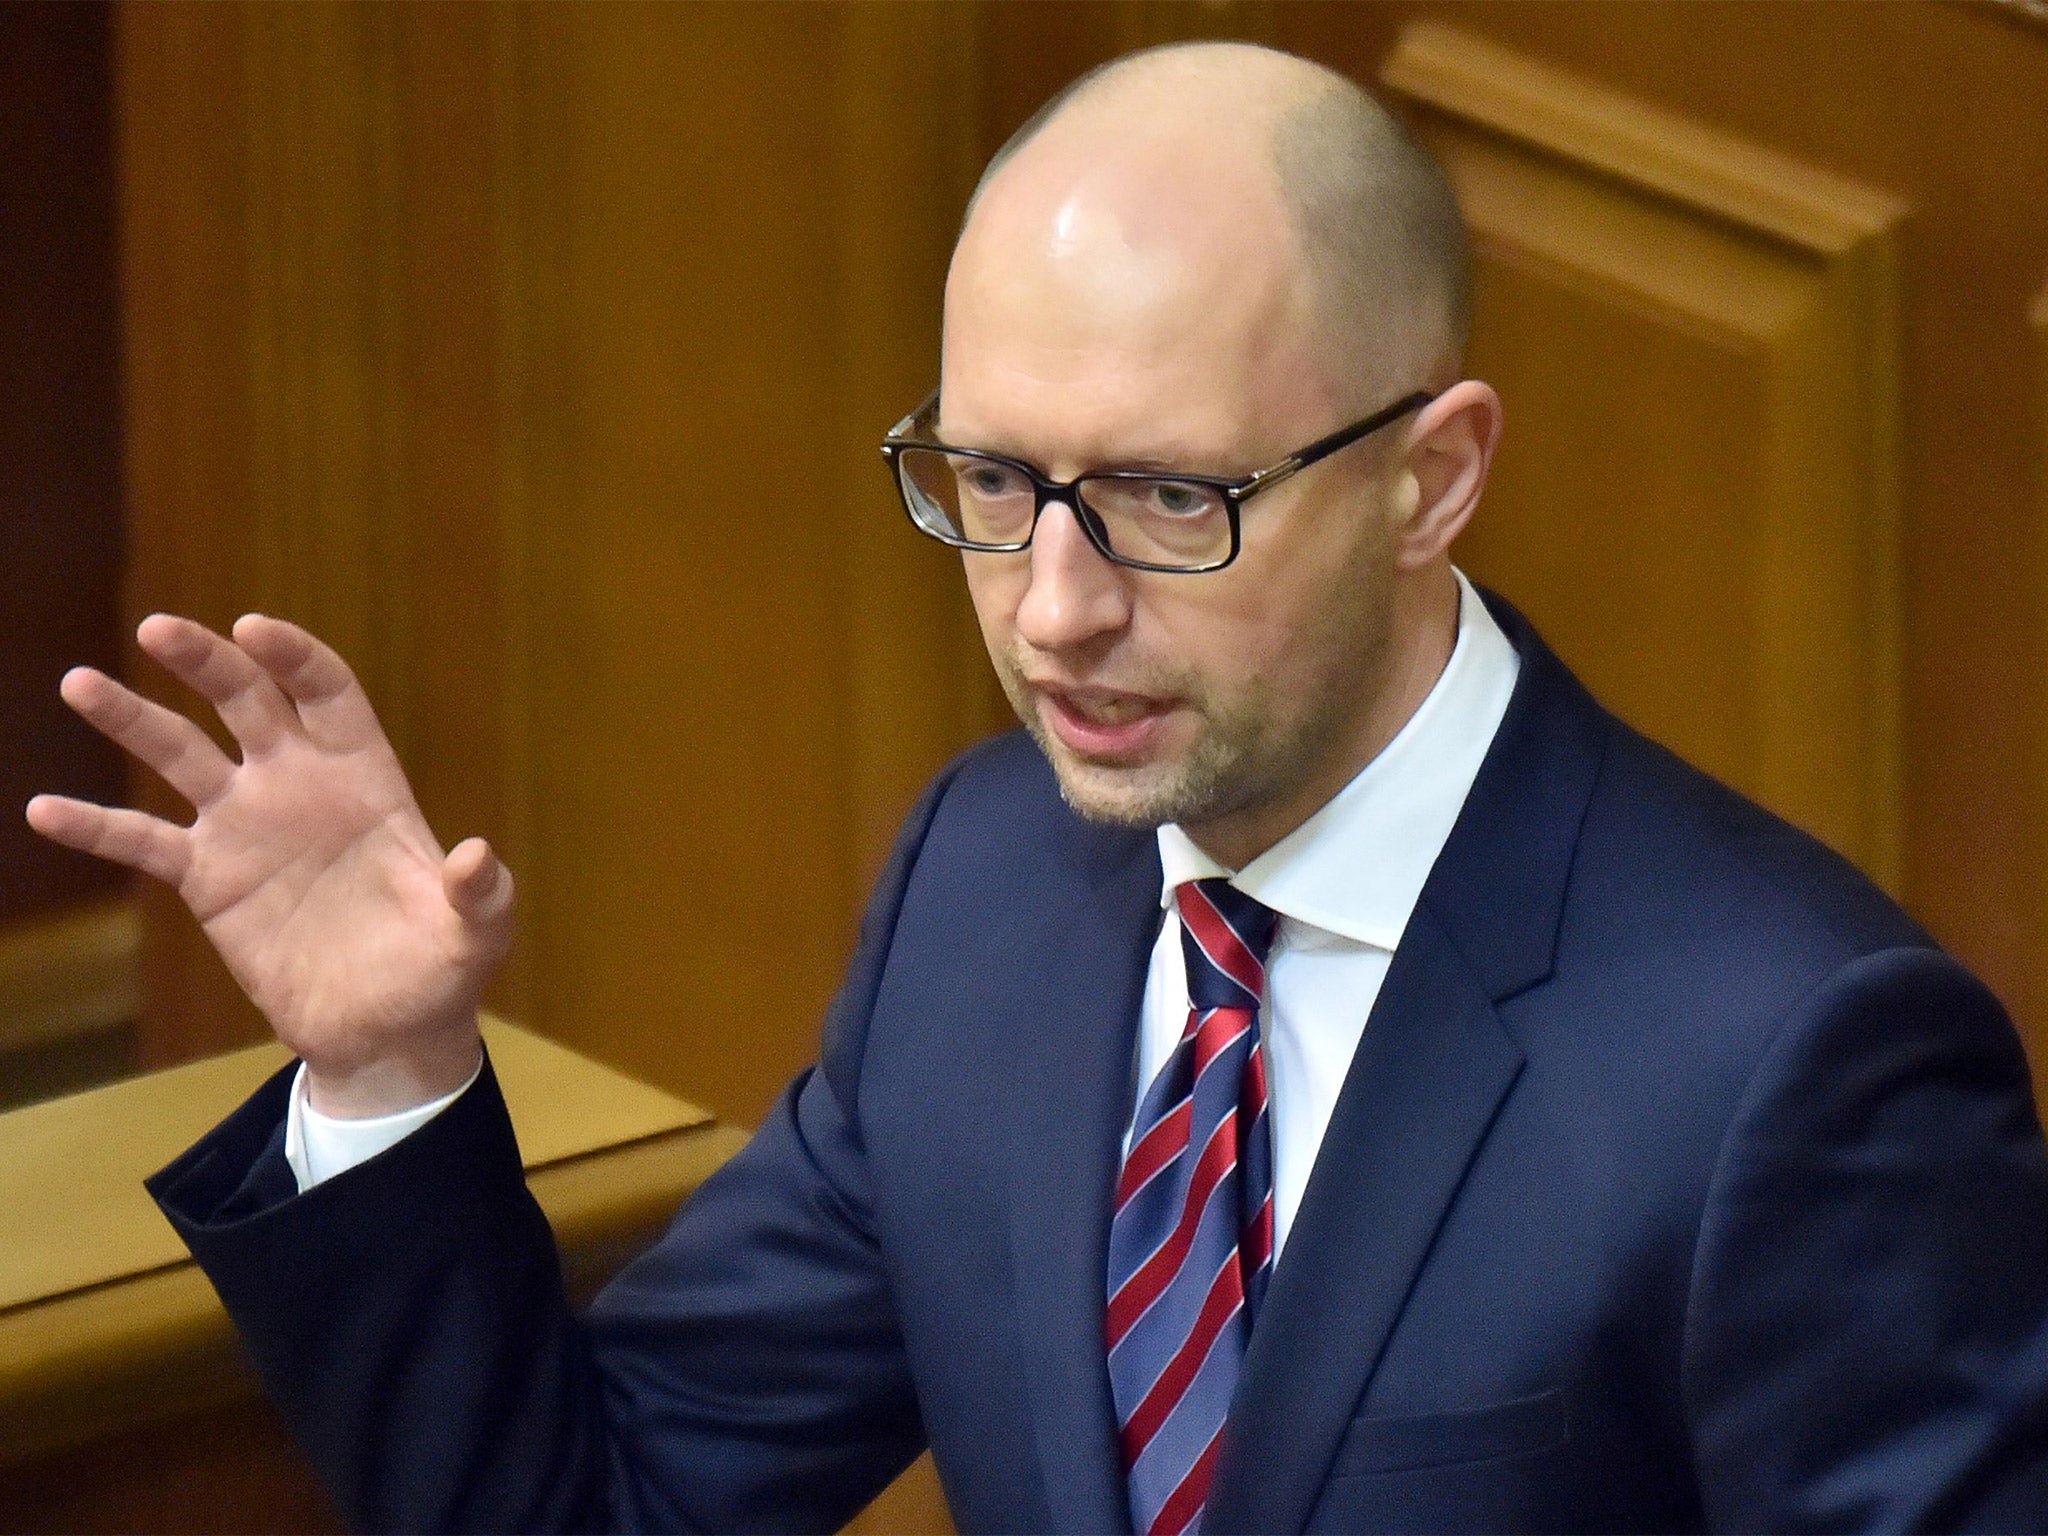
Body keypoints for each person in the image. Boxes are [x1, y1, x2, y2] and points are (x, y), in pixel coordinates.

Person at [28, 41, 2048, 1536]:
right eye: (992, 485)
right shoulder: (989, 888)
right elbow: (603, 1506)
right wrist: (392, 1075)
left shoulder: (1794, 1063)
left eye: (1171, 498)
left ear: (1431, 475)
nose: (1052, 612)